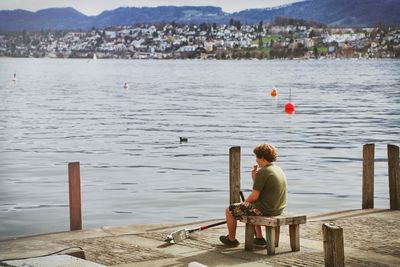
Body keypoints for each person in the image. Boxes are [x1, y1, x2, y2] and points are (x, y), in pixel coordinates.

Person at [219, 143, 287, 247]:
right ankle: (259, 238)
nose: (256, 160)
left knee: (229, 210)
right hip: (278, 208)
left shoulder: (263, 172)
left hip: (266, 210)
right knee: (253, 206)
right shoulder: (278, 169)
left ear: (263, 158)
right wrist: (254, 178)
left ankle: (231, 239)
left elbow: (255, 195)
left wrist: (245, 202)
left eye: (257, 157)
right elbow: (263, 191)